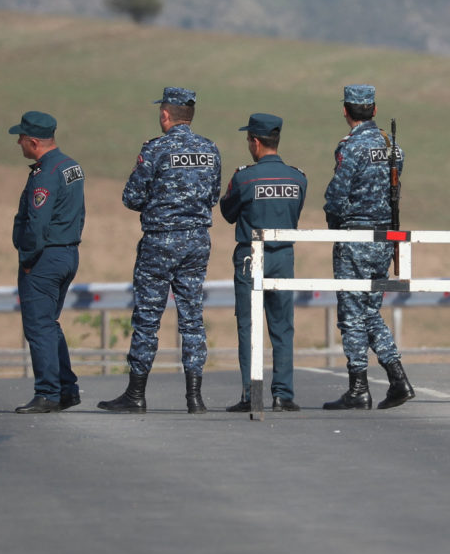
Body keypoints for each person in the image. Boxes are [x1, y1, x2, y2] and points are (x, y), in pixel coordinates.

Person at [100, 87, 222, 414]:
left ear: (165, 114)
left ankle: (136, 395)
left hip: (160, 242)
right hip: (197, 242)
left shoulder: (155, 149)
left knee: (147, 318)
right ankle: (194, 398)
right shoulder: (210, 150)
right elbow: (213, 196)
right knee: (192, 319)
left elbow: (132, 197)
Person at [321, 84, 415, 410]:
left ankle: (359, 387)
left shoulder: (351, 147)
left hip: (355, 238)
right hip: (384, 239)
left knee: (351, 313)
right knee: (369, 311)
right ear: (373, 110)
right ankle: (397, 378)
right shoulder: (394, 149)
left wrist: (335, 228)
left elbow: (336, 196)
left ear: (345, 111)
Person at [219, 113, 307, 412]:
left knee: (248, 325)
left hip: (250, 256)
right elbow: (295, 213)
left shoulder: (244, 177)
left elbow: (228, 213)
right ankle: (283, 394)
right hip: (284, 256)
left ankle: (249, 394)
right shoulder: (298, 177)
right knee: (282, 327)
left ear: (255, 142)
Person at [9, 111, 86, 414]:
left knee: (39, 326)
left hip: (45, 256)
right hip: (67, 252)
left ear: (33, 141)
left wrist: (28, 259)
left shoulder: (45, 173)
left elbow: (37, 224)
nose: (18, 143)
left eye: (21, 139)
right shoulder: (71, 166)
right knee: (50, 325)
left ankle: (48, 392)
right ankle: (66, 388)